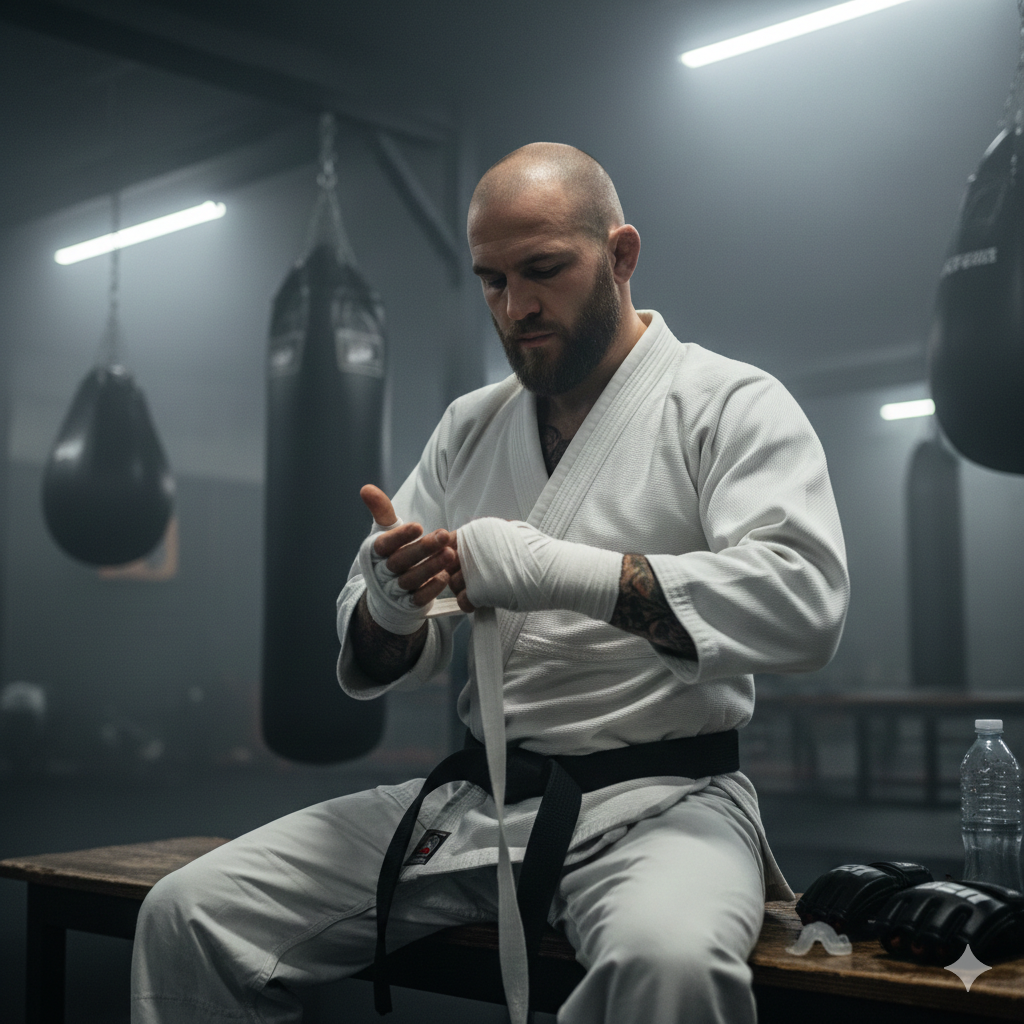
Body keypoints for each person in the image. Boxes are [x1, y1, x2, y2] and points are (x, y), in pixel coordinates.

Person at [131, 142, 849, 1024]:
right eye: (491, 281)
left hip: (666, 807)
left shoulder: (729, 404)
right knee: (188, 915)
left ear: (621, 256)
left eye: (543, 271)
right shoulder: (469, 428)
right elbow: (391, 648)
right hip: (480, 801)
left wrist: (556, 572)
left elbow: (803, 602)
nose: (516, 308)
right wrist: (393, 603)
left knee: (672, 968)